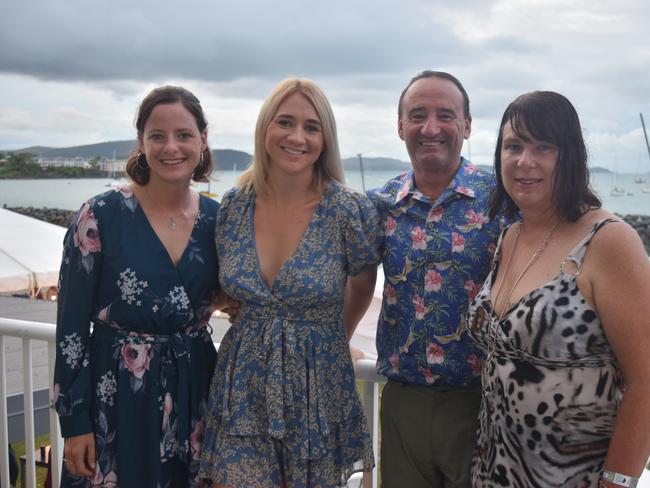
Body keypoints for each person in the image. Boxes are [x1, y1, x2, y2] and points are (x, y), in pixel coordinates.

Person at [198, 78, 381, 488]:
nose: (297, 137)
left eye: (311, 127)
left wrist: (336, 336)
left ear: (325, 139)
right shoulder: (232, 206)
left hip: (317, 383)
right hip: (243, 382)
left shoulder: (347, 211)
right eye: (285, 122)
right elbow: (224, 283)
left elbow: (364, 284)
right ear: (265, 129)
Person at [465, 91, 650, 487]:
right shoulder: (510, 236)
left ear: (569, 157)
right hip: (493, 470)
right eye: (513, 146)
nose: (524, 161)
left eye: (543, 147)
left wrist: (617, 482)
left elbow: (645, 381)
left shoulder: (608, 241)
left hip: (571, 477)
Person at [51, 86, 220, 487]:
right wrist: (74, 421)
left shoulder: (219, 220)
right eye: (157, 135)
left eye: (184, 135)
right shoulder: (101, 216)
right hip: (116, 399)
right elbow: (72, 329)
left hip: (196, 395)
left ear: (203, 140)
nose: (171, 147)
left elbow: (248, 295)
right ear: (141, 142)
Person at [368, 70, 504, 488]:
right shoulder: (381, 205)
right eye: (417, 115)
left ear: (466, 125)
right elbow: (352, 281)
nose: (430, 128)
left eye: (445, 115)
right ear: (400, 126)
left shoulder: (503, 198)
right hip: (404, 403)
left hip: (483, 402)